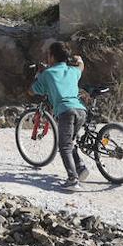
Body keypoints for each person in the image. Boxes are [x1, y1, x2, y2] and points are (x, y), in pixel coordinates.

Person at [30, 40, 89, 187]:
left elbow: (31, 91)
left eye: (48, 54)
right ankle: (81, 167)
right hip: (81, 111)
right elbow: (81, 67)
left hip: (65, 112)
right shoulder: (72, 70)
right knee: (70, 141)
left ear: (52, 57)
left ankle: (72, 178)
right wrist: (79, 60)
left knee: (64, 146)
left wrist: (38, 75)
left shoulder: (47, 74)